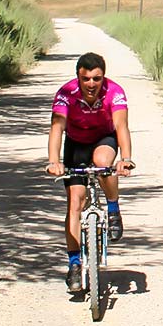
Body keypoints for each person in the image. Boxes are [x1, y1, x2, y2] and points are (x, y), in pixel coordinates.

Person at [44, 51, 136, 293]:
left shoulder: (114, 92)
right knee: (75, 202)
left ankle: (113, 207)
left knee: (103, 162)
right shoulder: (66, 93)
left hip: (103, 138)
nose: (92, 84)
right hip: (75, 144)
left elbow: (121, 126)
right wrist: (54, 161)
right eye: (86, 79)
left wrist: (125, 159)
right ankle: (74, 265)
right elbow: (57, 128)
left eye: (97, 79)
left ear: (103, 77)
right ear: (78, 77)